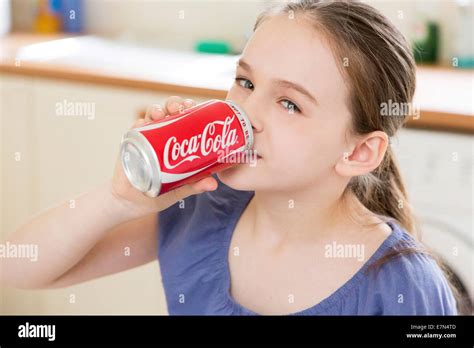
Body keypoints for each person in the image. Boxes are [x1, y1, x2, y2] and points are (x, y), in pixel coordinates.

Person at [1, 0, 458, 315]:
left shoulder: (404, 287)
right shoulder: (201, 208)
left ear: (359, 151)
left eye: (289, 103)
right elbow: (17, 265)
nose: (248, 112)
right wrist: (120, 199)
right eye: (246, 82)